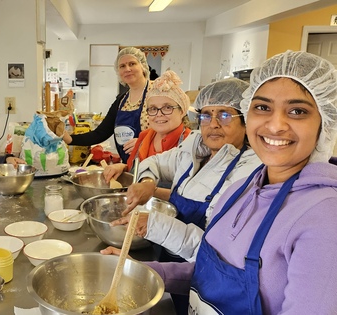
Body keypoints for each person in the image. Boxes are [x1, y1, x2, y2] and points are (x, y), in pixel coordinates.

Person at [118, 51, 337, 314]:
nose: (276, 125)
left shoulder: (325, 219)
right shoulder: (242, 190)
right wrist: (139, 272)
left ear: (324, 123)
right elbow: (212, 272)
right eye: (263, 107)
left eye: (297, 111)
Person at [110, 78, 262, 315]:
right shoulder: (195, 148)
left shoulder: (248, 174)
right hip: (170, 261)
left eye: (224, 115)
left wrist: (152, 224)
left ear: (246, 121)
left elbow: (214, 251)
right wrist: (148, 182)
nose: (212, 124)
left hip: (204, 280)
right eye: (206, 115)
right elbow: (157, 162)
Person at [62, 47, 152, 163]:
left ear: (143, 66)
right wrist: (69, 139)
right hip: (129, 166)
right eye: (122, 66)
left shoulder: (158, 93)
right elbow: (101, 133)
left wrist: (146, 141)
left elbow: (177, 130)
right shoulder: (121, 100)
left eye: (132, 64)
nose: (127, 69)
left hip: (157, 167)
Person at [103, 70, 192, 176]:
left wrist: (150, 188)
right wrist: (122, 167)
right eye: (153, 108)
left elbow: (190, 190)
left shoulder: (190, 143)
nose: (159, 114)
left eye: (167, 107)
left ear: (182, 111)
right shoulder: (144, 137)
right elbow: (134, 170)